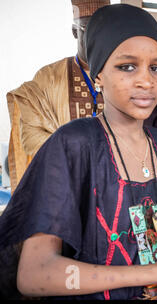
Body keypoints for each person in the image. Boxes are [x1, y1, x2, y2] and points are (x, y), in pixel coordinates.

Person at [0, 4, 157, 300]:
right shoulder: (73, 145)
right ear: (98, 74)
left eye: (155, 68)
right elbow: (34, 275)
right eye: (127, 66)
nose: (146, 80)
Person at [6, 0, 110, 193]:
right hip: (64, 186)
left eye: (104, 30)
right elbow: (30, 137)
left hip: (113, 186)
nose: (98, 38)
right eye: (89, 29)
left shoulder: (124, 74)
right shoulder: (49, 77)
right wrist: (76, 154)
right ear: (74, 31)